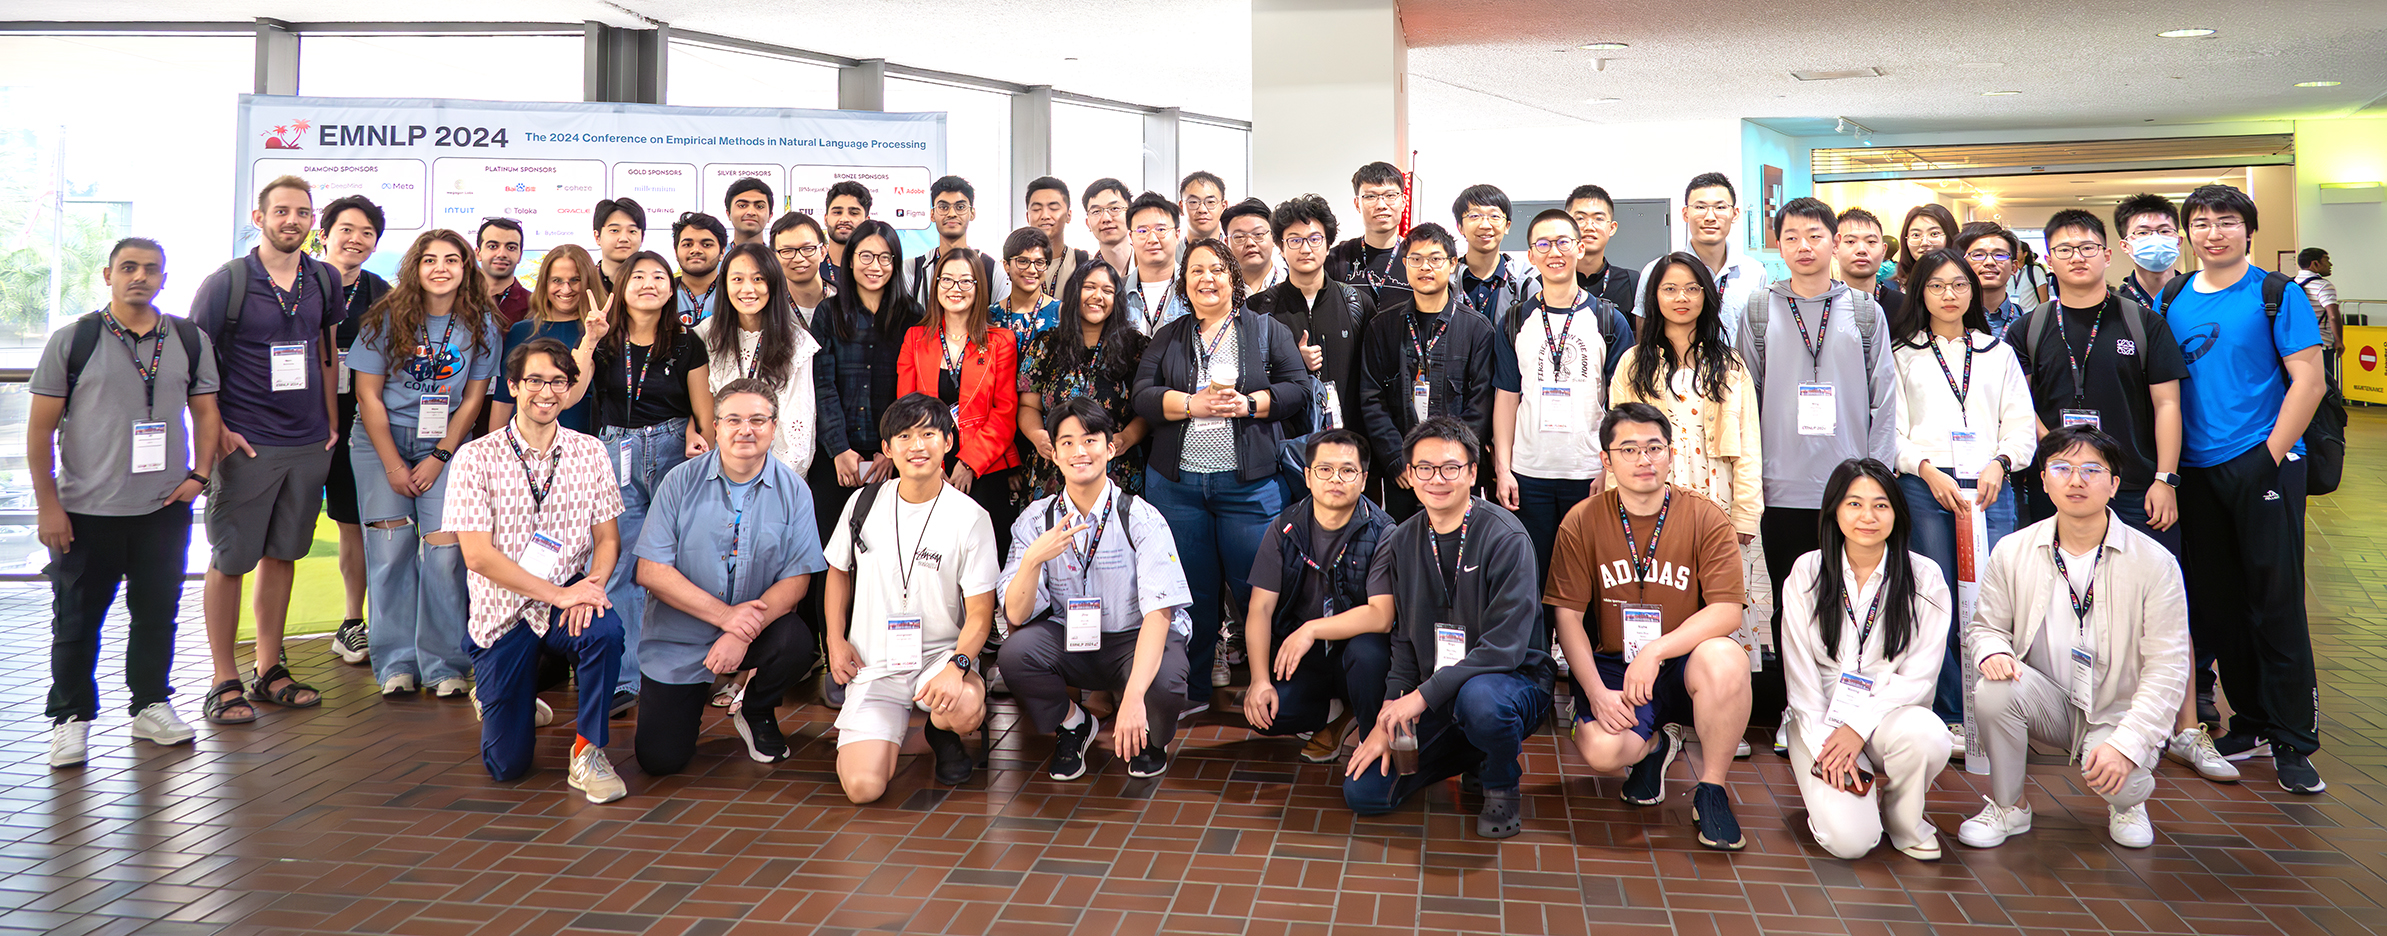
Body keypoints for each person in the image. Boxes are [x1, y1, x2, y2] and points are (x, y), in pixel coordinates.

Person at [2014, 211, 2218, 775]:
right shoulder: (2028, 326)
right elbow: (2018, 405)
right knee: (2054, 599)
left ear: (2109, 255)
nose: (2076, 256)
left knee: (2163, 603)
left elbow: (2168, 404)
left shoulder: (2142, 321)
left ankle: (2184, 729)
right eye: (2063, 249)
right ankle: (2063, 720)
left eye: (2087, 246)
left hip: (2135, 487)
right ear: (2047, 260)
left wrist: (2165, 478)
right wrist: (2058, 455)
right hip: (2058, 488)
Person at [2160, 184, 2327, 794]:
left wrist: (2269, 455)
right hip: (2199, 473)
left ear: (2248, 231)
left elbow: (2308, 380)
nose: (2213, 233)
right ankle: (2250, 721)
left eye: (2226, 222)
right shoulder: (2174, 295)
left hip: (2265, 462)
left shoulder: (2276, 294)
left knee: (2275, 603)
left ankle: (2293, 740)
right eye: (2200, 223)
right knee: (2223, 604)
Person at [35, 237, 221, 766]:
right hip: (85, 512)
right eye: (129, 268)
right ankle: (71, 717)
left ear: (164, 277)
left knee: (157, 614)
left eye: (151, 269)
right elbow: (40, 431)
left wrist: (199, 476)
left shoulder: (187, 338)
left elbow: (207, 412)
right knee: (76, 619)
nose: (140, 276)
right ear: (108, 274)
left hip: (163, 509)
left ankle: (150, 706)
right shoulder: (76, 339)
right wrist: (49, 505)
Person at [1959, 426, 2189, 849]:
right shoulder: (2012, 550)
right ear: (2044, 481)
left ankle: (2128, 806)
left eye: (2091, 469)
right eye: (2062, 468)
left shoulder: (2154, 563)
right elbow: (1985, 627)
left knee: (2125, 782)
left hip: (2115, 713)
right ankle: (2009, 807)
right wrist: (1992, 651)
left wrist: (2129, 743)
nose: (2076, 480)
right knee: (1994, 691)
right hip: (2047, 700)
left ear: (2114, 484)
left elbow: (2169, 666)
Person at [1547, 403, 1750, 849]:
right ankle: (1657, 745)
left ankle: (1712, 789)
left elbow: (1727, 611)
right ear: (1606, 459)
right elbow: (1567, 617)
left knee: (1727, 658)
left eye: (1654, 448)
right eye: (1629, 449)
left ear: (1671, 454)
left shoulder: (1704, 516)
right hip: (1614, 669)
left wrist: (1654, 652)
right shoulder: (1581, 521)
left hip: (1679, 663)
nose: (1644, 459)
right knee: (1603, 751)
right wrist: (1598, 694)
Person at [1342, 417, 1551, 839]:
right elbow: (1402, 641)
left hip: (1508, 683)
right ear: (1410, 475)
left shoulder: (1506, 537)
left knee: (1481, 702)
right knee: (1364, 794)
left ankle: (1500, 779)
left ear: (1473, 472)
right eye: (1425, 468)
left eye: (1451, 468)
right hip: (1434, 691)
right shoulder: (1402, 540)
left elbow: (1504, 650)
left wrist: (1418, 699)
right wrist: (1389, 717)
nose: (1437, 479)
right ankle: (1470, 751)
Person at [189, 175, 344, 724]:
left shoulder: (323, 279)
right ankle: (222, 677)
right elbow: (196, 364)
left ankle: (268, 668)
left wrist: (328, 421)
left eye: (302, 212)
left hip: (307, 443)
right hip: (246, 442)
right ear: (260, 218)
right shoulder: (227, 282)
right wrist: (217, 430)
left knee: (284, 555)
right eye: (281, 211)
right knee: (231, 560)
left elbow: (326, 353)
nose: (292, 220)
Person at [448, 338, 628, 804]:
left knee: (604, 630)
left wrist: (592, 585)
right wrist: (558, 594)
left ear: (570, 390)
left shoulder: (590, 452)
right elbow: (477, 557)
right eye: (534, 380)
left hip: (567, 595)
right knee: (506, 766)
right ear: (513, 385)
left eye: (558, 382)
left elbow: (608, 539)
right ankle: (505, 695)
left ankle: (589, 753)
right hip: (502, 611)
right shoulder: (475, 457)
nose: (546, 392)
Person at [1132, 237, 1309, 712]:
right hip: (1177, 487)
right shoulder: (1169, 335)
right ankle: (1191, 688)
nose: (1206, 279)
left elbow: (1299, 390)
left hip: (1249, 487)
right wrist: (1191, 404)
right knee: (1190, 590)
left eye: (1215, 270)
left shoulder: (1267, 330)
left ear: (1232, 276)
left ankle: (1273, 685)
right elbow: (1143, 397)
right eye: (1195, 272)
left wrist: (1250, 405)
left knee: (1259, 587)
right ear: (1183, 283)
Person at [1738, 197, 1898, 678]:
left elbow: (1884, 398)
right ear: (1778, 245)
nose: (1803, 246)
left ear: (1834, 241)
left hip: (1850, 487)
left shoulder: (1865, 311)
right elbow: (1747, 399)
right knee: (1791, 604)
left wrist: (1877, 480)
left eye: (1814, 235)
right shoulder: (1760, 309)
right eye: (1791, 237)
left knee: (1852, 601)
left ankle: (1848, 700)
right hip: (1781, 485)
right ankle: (1797, 706)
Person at [632, 380, 825, 771]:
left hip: (753, 633)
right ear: (715, 427)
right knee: (660, 760)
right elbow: (651, 570)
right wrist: (725, 618)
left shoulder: (794, 490)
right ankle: (688, 698)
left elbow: (797, 580)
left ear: (774, 427)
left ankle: (756, 709)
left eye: (758, 419)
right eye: (733, 419)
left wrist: (738, 632)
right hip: (679, 639)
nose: (745, 430)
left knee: (796, 641)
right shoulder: (678, 482)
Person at [1610, 253, 1767, 734]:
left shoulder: (1730, 364)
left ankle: (1723, 716)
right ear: (1653, 297)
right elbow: (1618, 439)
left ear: (1707, 296)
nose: (1681, 298)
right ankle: (1664, 709)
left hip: (1717, 498)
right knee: (1664, 593)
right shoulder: (1634, 362)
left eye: (1692, 289)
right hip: (1654, 500)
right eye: (1670, 289)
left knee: (1720, 605)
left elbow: (1749, 446)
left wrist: (1745, 515)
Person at [347, 229, 505, 699]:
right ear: (415, 267)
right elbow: (367, 396)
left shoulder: (482, 324)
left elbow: (475, 398)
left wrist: (440, 456)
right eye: (430, 259)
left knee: (445, 555)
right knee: (392, 552)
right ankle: (396, 662)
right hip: (380, 444)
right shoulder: (384, 317)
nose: (441, 268)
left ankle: (444, 665)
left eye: (451, 260)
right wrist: (394, 465)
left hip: (445, 444)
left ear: (465, 268)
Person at [999, 396, 1193, 779]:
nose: (1079, 451)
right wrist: (1032, 559)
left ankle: (1153, 739)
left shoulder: (1140, 516)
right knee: (1015, 654)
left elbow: (1160, 614)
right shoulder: (1037, 519)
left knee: (1167, 683)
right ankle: (1074, 724)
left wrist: (1133, 698)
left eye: (1090, 440)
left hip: (1134, 638)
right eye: (1067, 442)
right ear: (1053, 454)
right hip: (1071, 638)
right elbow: (1017, 615)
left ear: (1110, 447)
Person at [1890, 248, 2034, 737]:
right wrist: (1927, 471)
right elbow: (1893, 433)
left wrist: (2000, 463)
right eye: (1936, 286)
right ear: (1919, 293)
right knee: (1939, 599)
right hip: (1927, 488)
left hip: (1992, 486)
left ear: (1972, 291)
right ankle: (1952, 711)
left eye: (1958, 285)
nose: (1948, 294)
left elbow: (2020, 428)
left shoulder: (1998, 352)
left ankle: (1997, 708)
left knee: (1993, 600)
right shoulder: (1903, 354)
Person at [825, 394, 1000, 798]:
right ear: (887, 449)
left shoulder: (971, 517)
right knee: (863, 789)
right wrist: (835, 640)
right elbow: (838, 571)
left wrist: (956, 667)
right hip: (875, 662)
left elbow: (979, 614)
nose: (917, 446)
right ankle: (901, 728)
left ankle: (941, 733)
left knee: (967, 707)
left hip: (939, 658)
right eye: (904, 436)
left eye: (928, 434)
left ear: (948, 442)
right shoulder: (863, 503)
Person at [1778, 458, 1951, 860]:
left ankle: (1903, 819)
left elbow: (1920, 677)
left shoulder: (1924, 578)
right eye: (1854, 504)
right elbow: (1800, 676)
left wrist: (1858, 726)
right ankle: (1838, 796)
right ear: (1834, 509)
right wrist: (1830, 744)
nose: (1867, 517)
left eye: (1881, 505)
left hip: (1888, 717)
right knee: (1851, 843)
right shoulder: (1808, 571)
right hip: (1819, 721)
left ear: (1896, 512)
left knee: (1929, 736)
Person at [1490, 210, 1634, 632]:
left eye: (1563, 242)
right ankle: (1535, 681)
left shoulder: (1609, 320)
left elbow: (1622, 405)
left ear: (1580, 247)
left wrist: (1610, 470)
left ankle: (1589, 688)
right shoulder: (1515, 320)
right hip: (1529, 474)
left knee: (1589, 583)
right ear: (1531, 255)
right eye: (1543, 244)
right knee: (1531, 586)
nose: (1555, 252)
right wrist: (1503, 468)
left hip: (1588, 472)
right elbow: (1505, 398)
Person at [592, 250, 717, 717]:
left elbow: (704, 414)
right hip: (612, 452)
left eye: (659, 276)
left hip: (670, 451)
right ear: (621, 286)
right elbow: (576, 391)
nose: (648, 283)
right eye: (638, 276)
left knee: (677, 564)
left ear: (672, 288)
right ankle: (627, 678)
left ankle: (682, 669)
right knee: (621, 563)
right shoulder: (603, 342)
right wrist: (589, 342)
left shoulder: (687, 343)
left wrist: (700, 445)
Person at [1242, 429, 1394, 763]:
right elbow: (1260, 608)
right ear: (1308, 477)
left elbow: (1381, 615)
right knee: (1269, 713)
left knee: (1368, 656)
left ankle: (1371, 737)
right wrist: (1258, 680)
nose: (1335, 479)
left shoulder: (1384, 531)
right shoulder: (1284, 527)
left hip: (1356, 649)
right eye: (1324, 470)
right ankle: (1336, 711)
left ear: (1364, 479)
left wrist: (1310, 630)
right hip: (1307, 655)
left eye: (1347, 471)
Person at [1356, 223, 1500, 520]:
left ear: (1452, 264)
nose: (1425, 267)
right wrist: (1398, 459)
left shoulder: (1477, 329)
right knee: (1404, 551)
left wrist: (1449, 464)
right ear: (1405, 265)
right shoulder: (1382, 327)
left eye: (1435, 259)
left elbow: (1480, 406)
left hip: (1455, 473)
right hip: (1403, 473)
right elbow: (1371, 398)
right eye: (1416, 259)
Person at [899, 247, 1023, 554]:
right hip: (927, 463)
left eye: (966, 281)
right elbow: (906, 407)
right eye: (947, 280)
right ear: (936, 284)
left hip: (985, 466)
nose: (956, 289)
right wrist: (934, 463)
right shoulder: (915, 338)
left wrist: (969, 463)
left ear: (979, 287)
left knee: (984, 556)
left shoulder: (1000, 341)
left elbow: (1004, 413)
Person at [321, 195, 390, 667]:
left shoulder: (381, 292)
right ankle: (270, 638)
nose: (356, 239)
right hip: (296, 426)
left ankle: (352, 622)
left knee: (351, 522)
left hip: (355, 425)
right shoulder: (296, 282)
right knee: (280, 532)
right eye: (347, 229)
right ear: (324, 233)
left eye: (367, 233)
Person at [704, 242, 841, 475]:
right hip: (718, 472)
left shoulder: (797, 343)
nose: (748, 289)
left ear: (774, 283)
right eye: (737, 279)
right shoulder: (706, 336)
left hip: (776, 476)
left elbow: (799, 431)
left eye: (758, 279)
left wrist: (772, 481)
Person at [1019, 262, 1151, 499]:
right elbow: (1028, 405)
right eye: (1089, 287)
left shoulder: (1135, 347)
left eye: (1107, 290)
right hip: (1056, 466)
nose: (1097, 296)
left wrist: (1127, 438)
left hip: (1115, 467)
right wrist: (1037, 435)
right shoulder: (1047, 345)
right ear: (1074, 292)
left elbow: (1146, 409)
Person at [1248, 194, 1373, 438]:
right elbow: (1248, 379)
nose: (1305, 249)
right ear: (1281, 248)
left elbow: (1373, 381)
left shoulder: (1357, 303)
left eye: (1315, 239)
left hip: (1348, 441)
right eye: (1294, 240)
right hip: (1284, 444)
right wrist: (1293, 362)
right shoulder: (1258, 309)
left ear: (1328, 246)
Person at [1636, 173, 1769, 341]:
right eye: (1700, 207)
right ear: (1685, 214)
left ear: (1735, 214)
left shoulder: (1754, 272)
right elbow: (1644, 338)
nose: (1710, 217)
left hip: (1738, 366)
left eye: (1720, 207)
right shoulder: (1656, 271)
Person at [488, 245, 605, 435]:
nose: (566, 289)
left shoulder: (597, 332)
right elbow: (504, 399)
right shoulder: (521, 331)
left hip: (579, 447)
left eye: (575, 280)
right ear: (544, 283)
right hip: (521, 447)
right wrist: (494, 453)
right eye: (557, 280)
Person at [911, 176, 1010, 310]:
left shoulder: (993, 271)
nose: (952, 213)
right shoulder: (912, 269)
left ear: (972, 213)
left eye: (960, 207)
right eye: (943, 207)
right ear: (932, 214)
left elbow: (1001, 320)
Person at [1326, 161, 1413, 307]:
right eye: (1371, 196)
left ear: (1403, 202)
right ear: (1357, 204)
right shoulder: (1337, 259)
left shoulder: (1418, 257)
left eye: (1390, 195)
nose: (1381, 205)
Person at [1452, 184, 1527, 328]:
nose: (1485, 225)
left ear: (1507, 226)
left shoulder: (1523, 284)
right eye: (1474, 216)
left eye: (1494, 216)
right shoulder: (1448, 281)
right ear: (1460, 227)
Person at [1120, 192, 1188, 334]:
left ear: (1177, 235)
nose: (1152, 239)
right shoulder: (1116, 291)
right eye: (1142, 230)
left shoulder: (1194, 287)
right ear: (1131, 237)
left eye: (1161, 229)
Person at [1567, 184, 1639, 314]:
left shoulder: (1632, 283)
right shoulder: (1544, 283)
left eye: (1599, 218)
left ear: (1612, 228)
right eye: (1580, 218)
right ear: (1566, 224)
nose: (1589, 226)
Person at [1953, 222, 2027, 338]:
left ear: (2014, 267)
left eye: (2000, 255)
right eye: (1978, 255)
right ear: (1961, 265)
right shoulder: (1951, 319)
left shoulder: (2028, 322)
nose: (1989, 262)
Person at [2113, 193, 2183, 314]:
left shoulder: (2199, 295)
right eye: (2143, 233)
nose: (2156, 239)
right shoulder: (2115, 307)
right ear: (2125, 246)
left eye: (2165, 231)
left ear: (2178, 241)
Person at [1024, 176, 1091, 298]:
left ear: (1068, 216)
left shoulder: (1086, 264)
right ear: (1028, 217)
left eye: (1053, 208)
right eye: (1037, 209)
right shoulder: (1014, 266)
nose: (1045, 215)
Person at [994, 226, 1062, 341]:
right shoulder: (990, 315)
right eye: (1023, 261)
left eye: (1040, 262)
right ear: (1006, 265)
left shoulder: (1061, 313)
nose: (1032, 270)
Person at [1834, 208, 1904, 319]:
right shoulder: (1822, 305)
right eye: (1851, 242)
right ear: (1834, 247)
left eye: (1871, 242)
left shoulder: (1902, 306)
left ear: (1883, 250)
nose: (1861, 250)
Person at [770, 211, 837, 322]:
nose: (798, 259)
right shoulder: (768, 306)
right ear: (775, 257)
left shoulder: (845, 301)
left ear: (823, 252)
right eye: (787, 251)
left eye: (807, 249)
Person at [2294, 247, 2342, 388]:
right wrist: (2338, 340)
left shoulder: (2291, 285)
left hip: (2297, 344)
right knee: (2325, 387)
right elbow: (2333, 316)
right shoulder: (2323, 286)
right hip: (2321, 344)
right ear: (2315, 264)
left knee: (2303, 386)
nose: (2330, 265)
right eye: (2327, 260)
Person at [670, 212, 728, 327]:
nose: (696, 250)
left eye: (706, 245)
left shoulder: (734, 293)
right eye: (687, 245)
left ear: (722, 252)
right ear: (676, 252)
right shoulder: (664, 293)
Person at [477, 216, 530, 326]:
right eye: (492, 246)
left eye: (511, 248)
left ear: (520, 255)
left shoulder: (534, 305)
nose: (501, 254)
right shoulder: (457, 298)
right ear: (478, 253)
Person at [1222, 197, 1282, 294]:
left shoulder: (1294, 283)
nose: (1250, 243)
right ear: (1226, 243)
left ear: (1273, 237)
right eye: (1239, 237)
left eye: (1258, 234)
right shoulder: (1218, 289)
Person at [1081, 178, 1136, 282]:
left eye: (1114, 209)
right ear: (1088, 223)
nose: (1106, 218)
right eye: (1096, 211)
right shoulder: (1083, 279)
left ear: (1130, 215)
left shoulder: (1152, 266)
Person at [821, 179, 872, 287]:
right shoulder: (812, 269)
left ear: (866, 221)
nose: (844, 219)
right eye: (837, 212)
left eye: (853, 213)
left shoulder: (875, 271)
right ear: (826, 219)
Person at [592, 197, 645, 295]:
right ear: (597, 237)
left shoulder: (651, 285)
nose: (623, 238)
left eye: (632, 231)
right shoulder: (585, 283)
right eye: (615, 230)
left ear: (642, 237)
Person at [1895, 204, 1958, 281]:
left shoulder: (1966, 282)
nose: (1924, 243)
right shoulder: (1894, 287)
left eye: (1934, 234)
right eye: (1916, 235)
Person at [1179, 170, 1229, 246]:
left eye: (1210, 202)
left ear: (1223, 207)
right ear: (1181, 207)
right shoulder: (1169, 256)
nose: (1202, 210)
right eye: (1193, 202)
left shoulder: (1236, 254)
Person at [724, 177, 774, 247]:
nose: (751, 212)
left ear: (770, 215)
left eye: (759, 206)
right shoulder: (717, 256)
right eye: (742, 206)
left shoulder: (778, 256)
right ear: (728, 214)